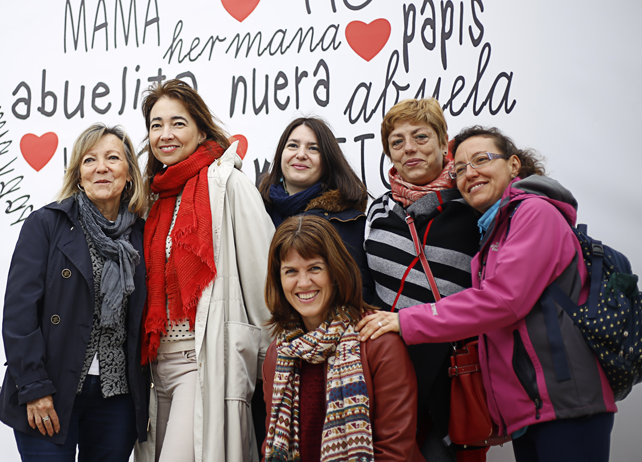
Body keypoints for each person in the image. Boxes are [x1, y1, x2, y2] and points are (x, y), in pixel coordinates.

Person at [358, 127, 618, 462]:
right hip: (535, 407)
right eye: (461, 168)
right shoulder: (496, 229)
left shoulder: (533, 213)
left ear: (513, 165)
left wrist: (405, 320)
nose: (471, 173)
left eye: (482, 159)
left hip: (566, 402)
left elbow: (501, 300)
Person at [136, 79, 274, 462]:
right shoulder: (150, 198)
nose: (165, 134)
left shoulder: (228, 184)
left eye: (178, 123)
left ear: (200, 129)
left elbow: (263, 276)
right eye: (156, 124)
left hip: (204, 363)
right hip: (153, 368)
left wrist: (272, 366)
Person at [0, 124, 148, 462]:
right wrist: (34, 388)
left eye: (112, 158)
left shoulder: (142, 235)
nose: (101, 167)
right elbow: (19, 315)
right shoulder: (46, 225)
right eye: (90, 160)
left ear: (130, 175)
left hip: (116, 399)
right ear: (79, 174)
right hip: (51, 391)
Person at [362, 98, 480, 462]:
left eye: (420, 137)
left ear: (445, 143)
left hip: (452, 374)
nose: (409, 148)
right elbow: (366, 286)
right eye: (397, 142)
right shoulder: (378, 210)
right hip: (390, 373)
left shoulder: (473, 205)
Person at [262, 215, 424, 462]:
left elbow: (395, 452)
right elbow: (271, 449)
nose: (303, 283)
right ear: (279, 279)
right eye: (290, 271)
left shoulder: (379, 342)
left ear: (336, 271)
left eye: (314, 268)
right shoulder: (279, 352)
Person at [259, 116, 372, 303]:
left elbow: (359, 294)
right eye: (293, 146)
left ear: (327, 160)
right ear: (280, 155)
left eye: (313, 148)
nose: (301, 154)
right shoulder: (256, 210)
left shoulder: (347, 222)